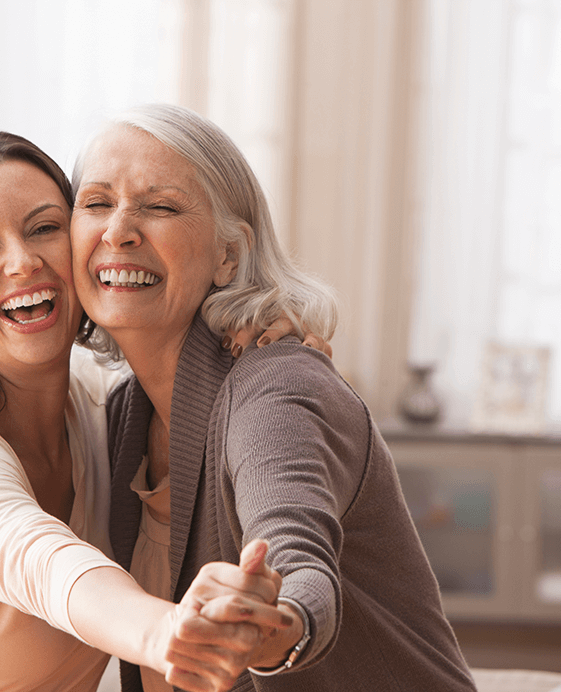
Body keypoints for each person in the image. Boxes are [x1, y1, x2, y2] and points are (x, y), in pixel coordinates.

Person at [0, 128, 294, 692]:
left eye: (45, 228)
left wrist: (265, 325)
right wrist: (169, 632)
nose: (22, 262)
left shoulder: (104, 414)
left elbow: (181, 353)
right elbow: (41, 564)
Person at [66, 104, 477, 691]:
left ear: (228, 255)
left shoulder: (275, 386)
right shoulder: (120, 416)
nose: (119, 230)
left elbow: (295, 557)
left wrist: (274, 621)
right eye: (97, 202)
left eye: (160, 206)